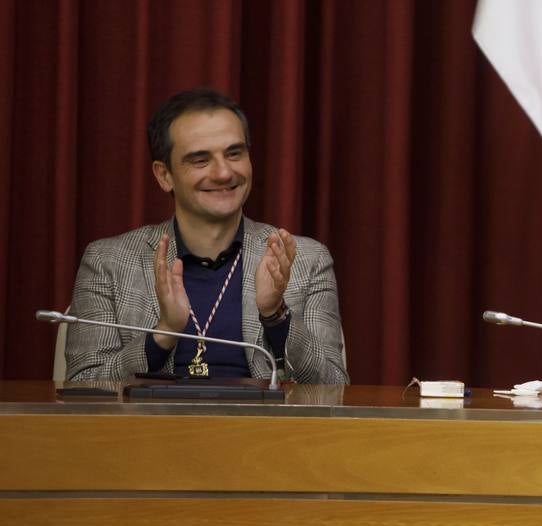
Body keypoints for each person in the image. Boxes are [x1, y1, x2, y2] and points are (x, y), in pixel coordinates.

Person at [64, 88, 349, 384]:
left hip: (265, 429)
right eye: (200, 160)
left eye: (234, 153)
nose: (224, 172)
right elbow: (83, 385)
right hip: (150, 429)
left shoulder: (305, 259)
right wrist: (162, 334)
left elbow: (334, 388)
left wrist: (276, 315)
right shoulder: (108, 263)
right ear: (164, 175)